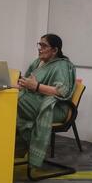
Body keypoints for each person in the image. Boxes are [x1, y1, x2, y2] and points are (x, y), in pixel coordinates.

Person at [16, 34, 76, 168]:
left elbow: (62, 91)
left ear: (55, 50)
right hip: (36, 101)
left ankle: (22, 145)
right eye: (39, 45)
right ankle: (4, 148)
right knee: (9, 98)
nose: (40, 48)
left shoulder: (61, 66)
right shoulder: (37, 62)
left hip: (53, 108)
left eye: (44, 46)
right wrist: (19, 85)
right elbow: (26, 81)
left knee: (16, 101)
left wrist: (36, 86)